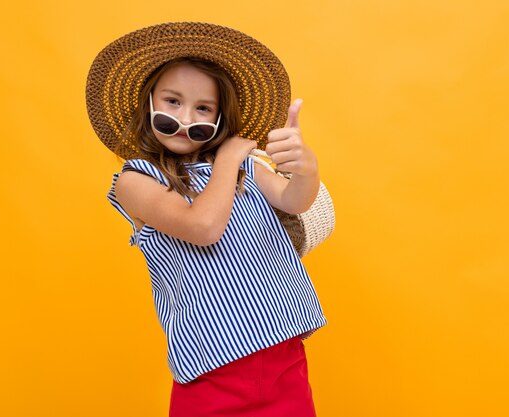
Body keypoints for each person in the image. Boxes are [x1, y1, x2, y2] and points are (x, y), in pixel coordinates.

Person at [85, 22, 327, 417]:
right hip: (211, 367)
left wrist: (305, 169)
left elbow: (293, 200)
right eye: (172, 101)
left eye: (203, 108)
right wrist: (229, 159)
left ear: (219, 118)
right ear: (148, 103)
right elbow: (203, 227)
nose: (184, 118)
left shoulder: (246, 166)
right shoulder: (137, 179)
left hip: (283, 353)